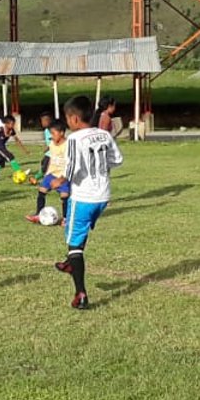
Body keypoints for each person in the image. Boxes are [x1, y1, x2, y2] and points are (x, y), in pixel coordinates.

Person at [53, 97, 122, 309]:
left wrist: (61, 179)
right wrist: (101, 168)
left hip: (83, 197)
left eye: (66, 118)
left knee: (74, 242)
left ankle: (80, 294)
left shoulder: (75, 139)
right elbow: (117, 159)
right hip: (103, 196)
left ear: (74, 118)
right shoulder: (103, 134)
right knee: (79, 233)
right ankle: (69, 262)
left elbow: (72, 166)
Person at [30, 115, 71, 224]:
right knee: (41, 190)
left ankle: (66, 219)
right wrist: (47, 173)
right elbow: (52, 160)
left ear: (62, 133)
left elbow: (70, 164)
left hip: (63, 176)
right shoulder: (53, 144)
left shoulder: (68, 145)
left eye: (53, 133)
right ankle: (38, 215)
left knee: (64, 196)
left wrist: (62, 179)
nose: (51, 136)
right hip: (51, 173)